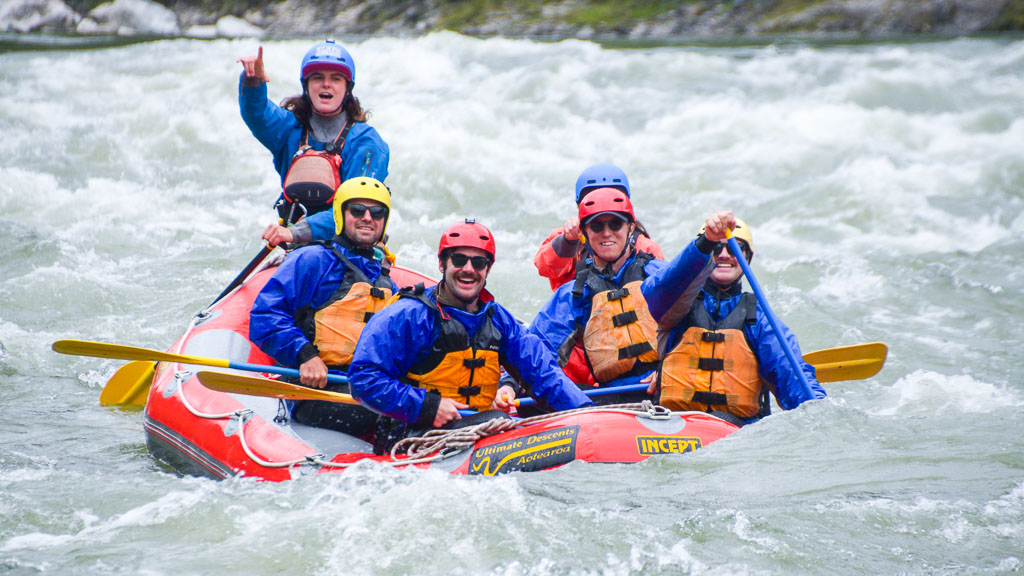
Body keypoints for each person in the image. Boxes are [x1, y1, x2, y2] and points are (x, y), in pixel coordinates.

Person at [348, 219, 594, 452]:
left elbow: (543, 373)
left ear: (488, 269)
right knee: (497, 419)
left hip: (476, 430)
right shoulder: (408, 315)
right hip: (413, 435)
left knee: (512, 417)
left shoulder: (498, 319)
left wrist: (588, 415)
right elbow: (363, 378)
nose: (468, 269)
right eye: (459, 259)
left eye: (478, 263)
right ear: (442, 264)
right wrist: (427, 406)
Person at [645, 213, 826, 426]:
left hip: (735, 430)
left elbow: (788, 370)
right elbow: (657, 290)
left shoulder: (758, 318)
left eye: (735, 249)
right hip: (675, 426)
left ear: (747, 259)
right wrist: (704, 243)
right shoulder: (675, 306)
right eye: (715, 248)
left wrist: (818, 411)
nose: (724, 255)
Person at [249, 177, 396, 438]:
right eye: (357, 210)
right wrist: (305, 355)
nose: (367, 218)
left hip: (364, 386)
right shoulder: (312, 260)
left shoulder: (385, 281)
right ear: (341, 215)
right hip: (313, 389)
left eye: (376, 212)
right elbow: (265, 315)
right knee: (388, 406)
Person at [237, 40, 390, 248]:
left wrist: (294, 232)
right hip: (295, 246)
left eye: (335, 79)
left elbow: (356, 209)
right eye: (318, 78)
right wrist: (252, 81)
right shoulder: (289, 129)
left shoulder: (367, 143)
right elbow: (257, 114)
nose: (326, 84)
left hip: (352, 250)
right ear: (306, 87)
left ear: (347, 89)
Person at [528, 188, 667, 402]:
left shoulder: (656, 273)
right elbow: (535, 348)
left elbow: (693, 323)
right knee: (534, 396)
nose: (606, 233)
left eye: (615, 224)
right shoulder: (575, 292)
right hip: (609, 397)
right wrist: (509, 384)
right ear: (585, 233)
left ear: (630, 228)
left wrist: (670, 369)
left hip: (663, 385)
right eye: (596, 226)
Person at [533, 163, 663, 291]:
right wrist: (568, 241)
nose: (603, 204)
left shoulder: (645, 246)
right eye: (597, 225)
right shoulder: (566, 238)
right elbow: (544, 267)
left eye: (615, 224)